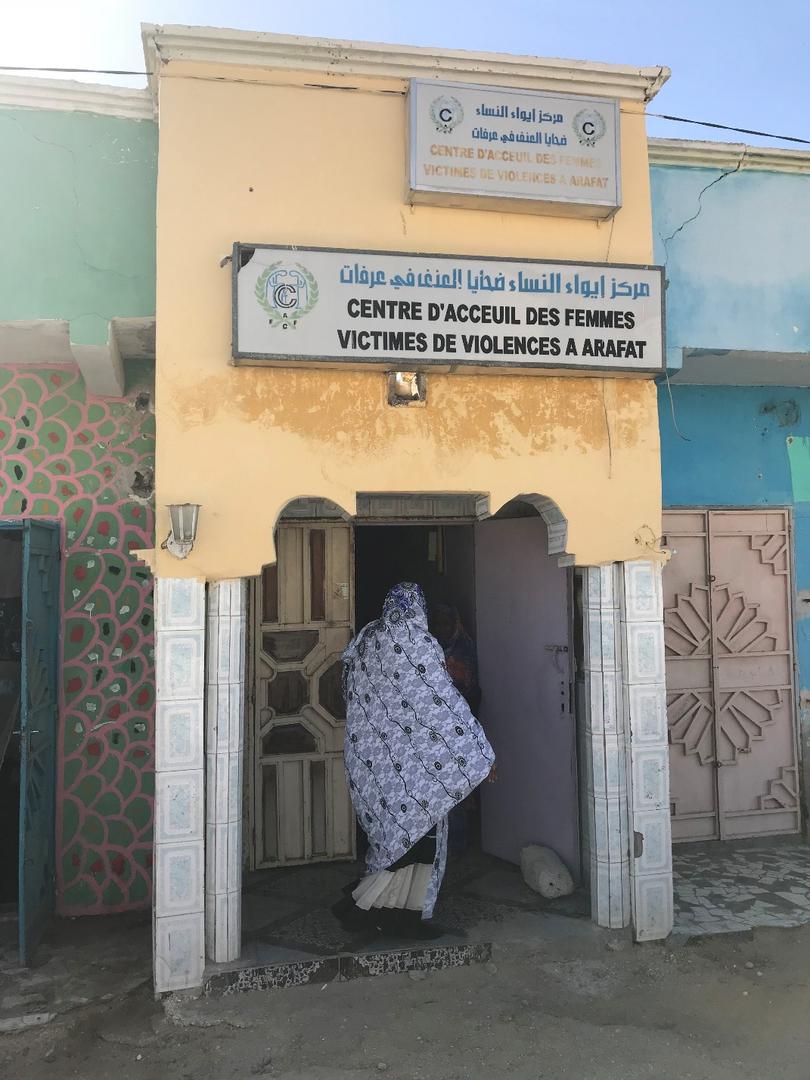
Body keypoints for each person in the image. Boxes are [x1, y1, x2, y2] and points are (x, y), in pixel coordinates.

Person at [336, 582, 494, 937]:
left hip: (371, 758)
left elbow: (346, 687)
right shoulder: (417, 644)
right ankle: (396, 916)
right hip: (415, 767)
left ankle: (380, 910)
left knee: (389, 836)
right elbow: (442, 703)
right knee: (421, 840)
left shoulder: (366, 638)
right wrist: (480, 750)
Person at [429, 603, 481, 714]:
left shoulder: (465, 649)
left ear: (455, 625)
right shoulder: (430, 648)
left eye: (446, 624)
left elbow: (468, 686)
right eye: (437, 624)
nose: (441, 629)